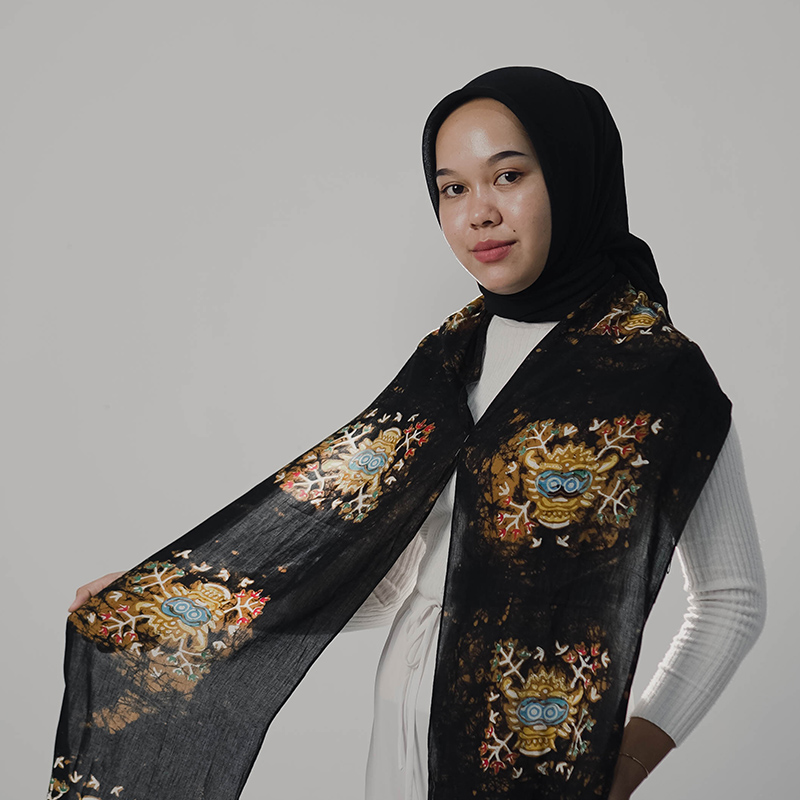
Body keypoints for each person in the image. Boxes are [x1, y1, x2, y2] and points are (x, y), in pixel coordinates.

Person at [60, 67, 765, 800]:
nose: (478, 213)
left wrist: (625, 766)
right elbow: (392, 574)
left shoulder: (656, 374)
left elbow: (733, 600)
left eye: (509, 176)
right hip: (404, 714)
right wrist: (169, 604)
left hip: (537, 746)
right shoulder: (448, 356)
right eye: (452, 188)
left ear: (573, 175)